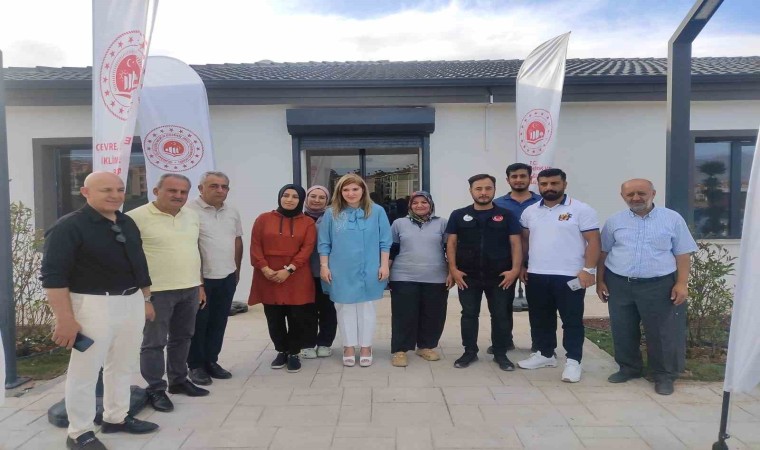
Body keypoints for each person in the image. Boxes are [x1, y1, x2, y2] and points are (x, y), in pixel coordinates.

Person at [41, 172, 158, 450]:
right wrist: (65, 319)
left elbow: (138, 263)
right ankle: (79, 432)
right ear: (85, 192)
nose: (115, 195)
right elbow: (53, 277)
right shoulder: (69, 227)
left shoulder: (126, 222)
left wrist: (145, 298)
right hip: (92, 305)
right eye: (106, 190)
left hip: (131, 301)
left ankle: (116, 417)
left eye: (119, 189)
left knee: (123, 364)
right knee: (85, 372)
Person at [597, 179, 697, 395]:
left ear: (653, 193)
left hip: (658, 285)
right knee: (623, 328)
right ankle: (629, 368)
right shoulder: (614, 221)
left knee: (662, 332)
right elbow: (603, 252)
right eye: (630, 194)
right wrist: (600, 281)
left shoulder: (672, 219)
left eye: (641, 193)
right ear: (623, 196)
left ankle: (663, 375)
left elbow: (682, 253)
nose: (636, 198)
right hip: (619, 283)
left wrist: (681, 283)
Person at [127, 173, 208, 413]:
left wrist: (200, 285)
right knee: (154, 342)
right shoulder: (135, 218)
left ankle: (178, 380)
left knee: (183, 337)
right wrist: (144, 296)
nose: (178, 196)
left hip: (189, 288)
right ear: (156, 191)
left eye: (183, 192)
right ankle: (155, 388)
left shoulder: (191, 216)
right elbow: (130, 259)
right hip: (156, 292)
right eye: (172, 190)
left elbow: (193, 250)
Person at [518, 168, 600, 383]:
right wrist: (523, 266)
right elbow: (525, 241)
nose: (549, 188)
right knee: (540, 318)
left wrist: (589, 270)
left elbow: (594, 241)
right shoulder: (529, 211)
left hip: (570, 276)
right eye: (544, 184)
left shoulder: (581, 209)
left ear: (564, 184)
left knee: (571, 320)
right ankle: (545, 354)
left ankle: (573, 361)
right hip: (537, 274)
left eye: (554, 183)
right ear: (538, 186)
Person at [446, 174, 522, 371]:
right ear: (471, 191)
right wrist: (453, 269)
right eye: (478, 189)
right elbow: (451, 243)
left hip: (500, 277)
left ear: (494, 190)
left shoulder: (507, 215)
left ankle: (500, 353)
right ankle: (469, 352)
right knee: (469, 314)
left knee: (500, 315)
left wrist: (515, 270)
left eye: (488, 188)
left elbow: (516, 243)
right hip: (467, 276)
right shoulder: (458, 215)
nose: (483, 193)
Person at [318, 174, 392, 367]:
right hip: (340, 269)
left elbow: (385, 241)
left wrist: (384, 265)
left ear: (363, 190)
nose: (351, 193)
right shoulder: (331, 213)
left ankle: (366, 346)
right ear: (340, 192)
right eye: (346, 189)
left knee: (367, 308)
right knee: (344, 308)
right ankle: (348, 346)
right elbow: (324, 243)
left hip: (369, 267)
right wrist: (324, 266)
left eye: (355, 189)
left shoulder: (377, 211)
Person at [248, 184, 317, 373]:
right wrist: (264, 268)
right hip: (268, 275)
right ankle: (281, 350)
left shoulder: (307, 223)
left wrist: (289, 270)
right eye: (286, 195)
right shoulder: (263, 219)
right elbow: (255, 245)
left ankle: (294, 352)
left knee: (297, 317)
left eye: (295, 197)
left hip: (296, 275)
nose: (289, 199)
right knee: (274, 317)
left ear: (301, 200)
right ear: (279, 197)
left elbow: (307, 248)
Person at [186, 171, 243, 385]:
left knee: (219, 322)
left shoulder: (232, 211)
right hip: (201, 280)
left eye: (224, 186)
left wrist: (237, 270)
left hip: (226, 276)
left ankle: (211, 361)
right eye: (214, 186)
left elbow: (237, 240)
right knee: (198, 324)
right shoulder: (188, 211)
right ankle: (195, 365)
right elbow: (188, 247)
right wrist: (198, 282)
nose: (220, 190)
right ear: (201, 188)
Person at [389, 191, 452, 367]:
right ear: (410, 206)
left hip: (436, 277)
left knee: (433, 314)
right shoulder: (399, 223)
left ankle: (426, 346)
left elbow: (450, 249)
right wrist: (386, 270)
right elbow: (392, 249)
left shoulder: (442, 223)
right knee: (403, 314)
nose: (419, 205)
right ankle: (400, 350)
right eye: (415, 203)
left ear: (430, 204)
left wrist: (451, 272)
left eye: (424, 202)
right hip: (403, 276)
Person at [492, 162, 542, 350]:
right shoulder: (497, 204)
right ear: (508, 180)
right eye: (514, 176)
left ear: (530, 178)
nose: (518, 180)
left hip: (536, 261)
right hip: (505, 262)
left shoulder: (542, 202)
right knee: (501, 306)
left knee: (538, 306)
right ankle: (504, 342)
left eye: (523, 176)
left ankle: (540, 345)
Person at [300, 185, 337, 359]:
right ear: (306, 198)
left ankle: (324, 343)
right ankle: (307, 344)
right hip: (303, 272)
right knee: (306, 310)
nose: (317, 200)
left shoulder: (334, 218)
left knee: (328, 309)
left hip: (328, 272)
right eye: (313, 196)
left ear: (327, 200)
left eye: (322, 197)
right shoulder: (298, 217)